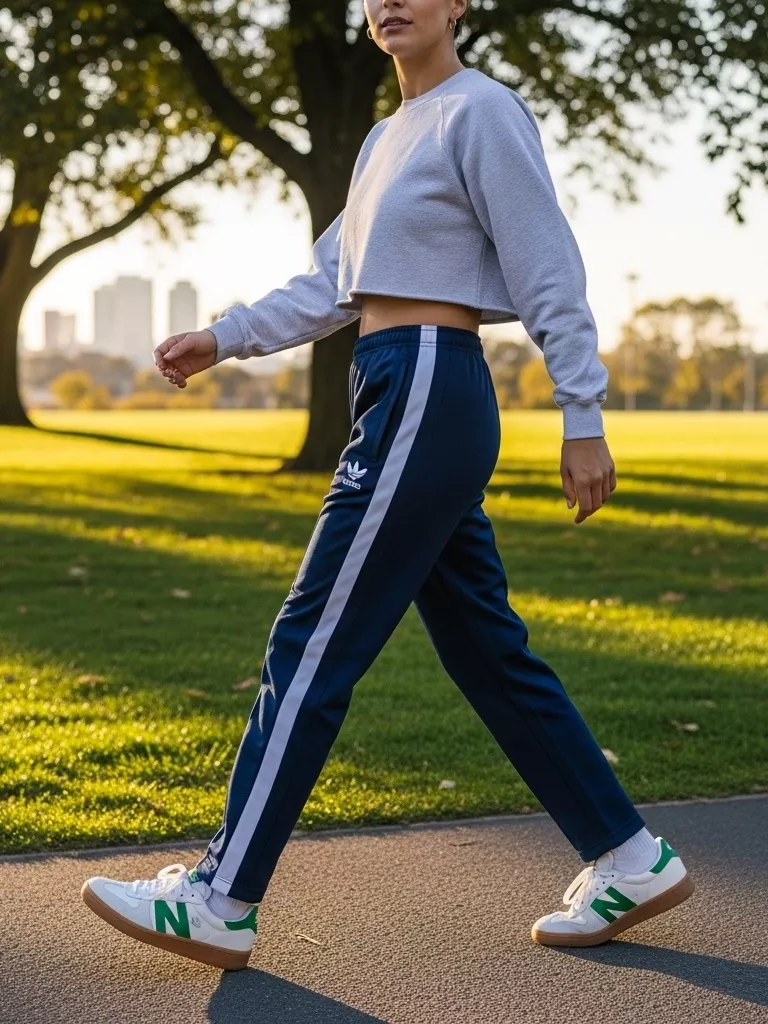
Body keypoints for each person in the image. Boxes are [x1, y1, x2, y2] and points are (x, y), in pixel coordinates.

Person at [81, 0, 694, 970]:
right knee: (487, 650)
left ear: (460, 4)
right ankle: (630, 855)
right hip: (394, 388)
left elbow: (550, 270)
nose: (391, 0)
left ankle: (221, 895)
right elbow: (330, 283)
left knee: (313, 635)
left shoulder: (481, 112)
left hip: (429, 386)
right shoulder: (381, 140)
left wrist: (584, 415)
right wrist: (222, 336)